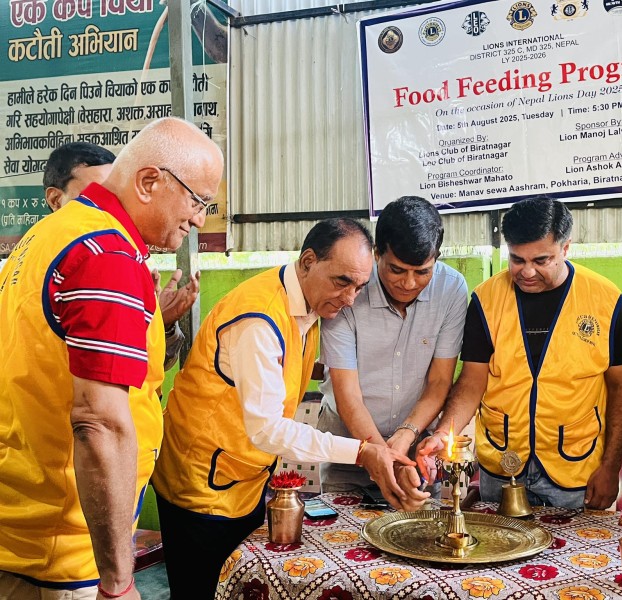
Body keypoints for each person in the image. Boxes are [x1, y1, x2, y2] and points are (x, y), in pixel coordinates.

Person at [0, 117, 223, 598]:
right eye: (197, 201)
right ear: (149, 181)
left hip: (23, 517)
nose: (200, 219)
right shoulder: (107, 255)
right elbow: (99, 423)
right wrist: (118, 580)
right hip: (62, 547)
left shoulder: (48, 236)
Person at [151, 218, 426, 599]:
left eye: (360, 286)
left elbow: (285, 370)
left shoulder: (306, 306)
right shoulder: (258, 320)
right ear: (309, 260)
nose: (350, 299)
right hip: (200, 487)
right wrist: (362, 452)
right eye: (342, 281)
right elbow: (267, 428)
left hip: (242, 479)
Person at [417, 197, 622, 509]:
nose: (527, 272)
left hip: (574, 471)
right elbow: (471, 382)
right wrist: (444, 433)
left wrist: (611, 467)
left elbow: (621, 387)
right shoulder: (487, 299)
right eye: (517, 259)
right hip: (502, 466)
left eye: (541, 260)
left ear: (566, 248)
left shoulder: (606, 301)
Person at [317, 196, 468, 495]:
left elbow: (439, 382)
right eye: (397, 270)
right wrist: (383, 457)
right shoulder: (349, 289)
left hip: (415, 452)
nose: (409, 283)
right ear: (376, 254)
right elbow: (348, 395)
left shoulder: (452, 289)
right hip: (349, 449)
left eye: (422, 272)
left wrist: (406, 437)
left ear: (437, 257)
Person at [43, 141, 199, 370]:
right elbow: (99, 399)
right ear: (56, 200)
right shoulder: (97, 255)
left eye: (115, 194)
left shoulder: (122, 253)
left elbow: (147, 367)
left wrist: (158, 320)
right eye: (93, 194)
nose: (110, 204)